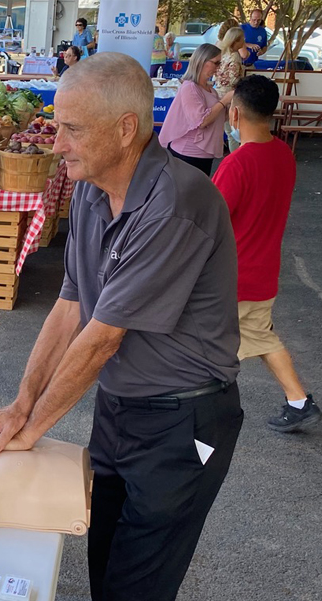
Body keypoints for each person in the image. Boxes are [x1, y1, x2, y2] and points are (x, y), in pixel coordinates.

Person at [0, 53, 243, 601]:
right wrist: (20, 405)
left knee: (136, 598)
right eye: (55, 127)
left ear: (125, 128)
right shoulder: (88, 188)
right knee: (108, 567)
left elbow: (102, 338)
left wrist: (33, 428)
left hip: (185, 423)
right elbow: (70, 305)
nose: (56, 144)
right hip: (123, 410)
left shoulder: (176, 202)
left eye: (71, 131)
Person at [212, 76, 320, 432]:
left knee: (213, 345)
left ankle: (204, 414)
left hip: (235, 276)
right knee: (258, 338)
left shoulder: (237, 165)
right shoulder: (284, 155)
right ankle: (298, 401)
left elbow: (211, 220)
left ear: (235, 114)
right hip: (262, 271)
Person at [158, 43, 233, 175]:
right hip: (189, 153)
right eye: (216, 63)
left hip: (204, 154)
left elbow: (218, 118)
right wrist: (224, 101)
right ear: (202, 61)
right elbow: (201, 121)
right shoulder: (190, 87)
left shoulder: (210, 90)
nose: (218, 67)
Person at [216, 26, 247, 151]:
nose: (244, 41)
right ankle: (234, 156)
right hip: (230, 95)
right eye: (242, 39)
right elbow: (233, 79)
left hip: (219, 92)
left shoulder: (223, 54)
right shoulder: (235, 57)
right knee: (233, 131)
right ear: (235, 41)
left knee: (225, 129)